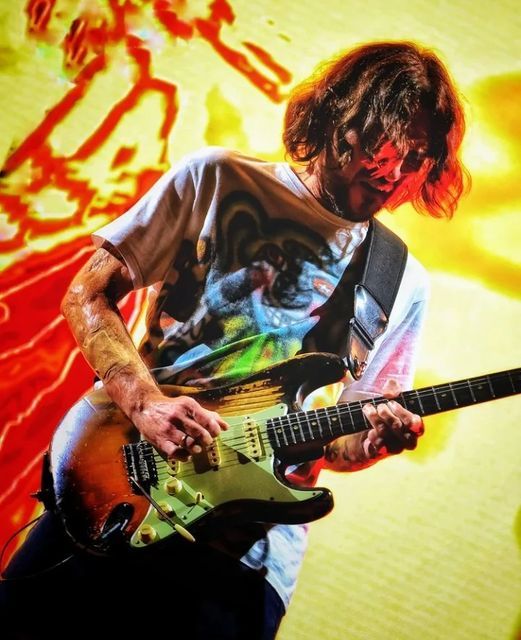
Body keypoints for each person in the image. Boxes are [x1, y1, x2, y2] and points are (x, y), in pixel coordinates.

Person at [0, 41, 467, 639]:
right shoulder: (216, 178)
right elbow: (87, 294)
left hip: (243, 560)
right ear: (337, 116)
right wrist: (146, 404)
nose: (392, 172)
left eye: (417, 158)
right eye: (382, 144)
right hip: (121, 483)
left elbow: (344, 444)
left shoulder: (401, 281)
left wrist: (376, 440)